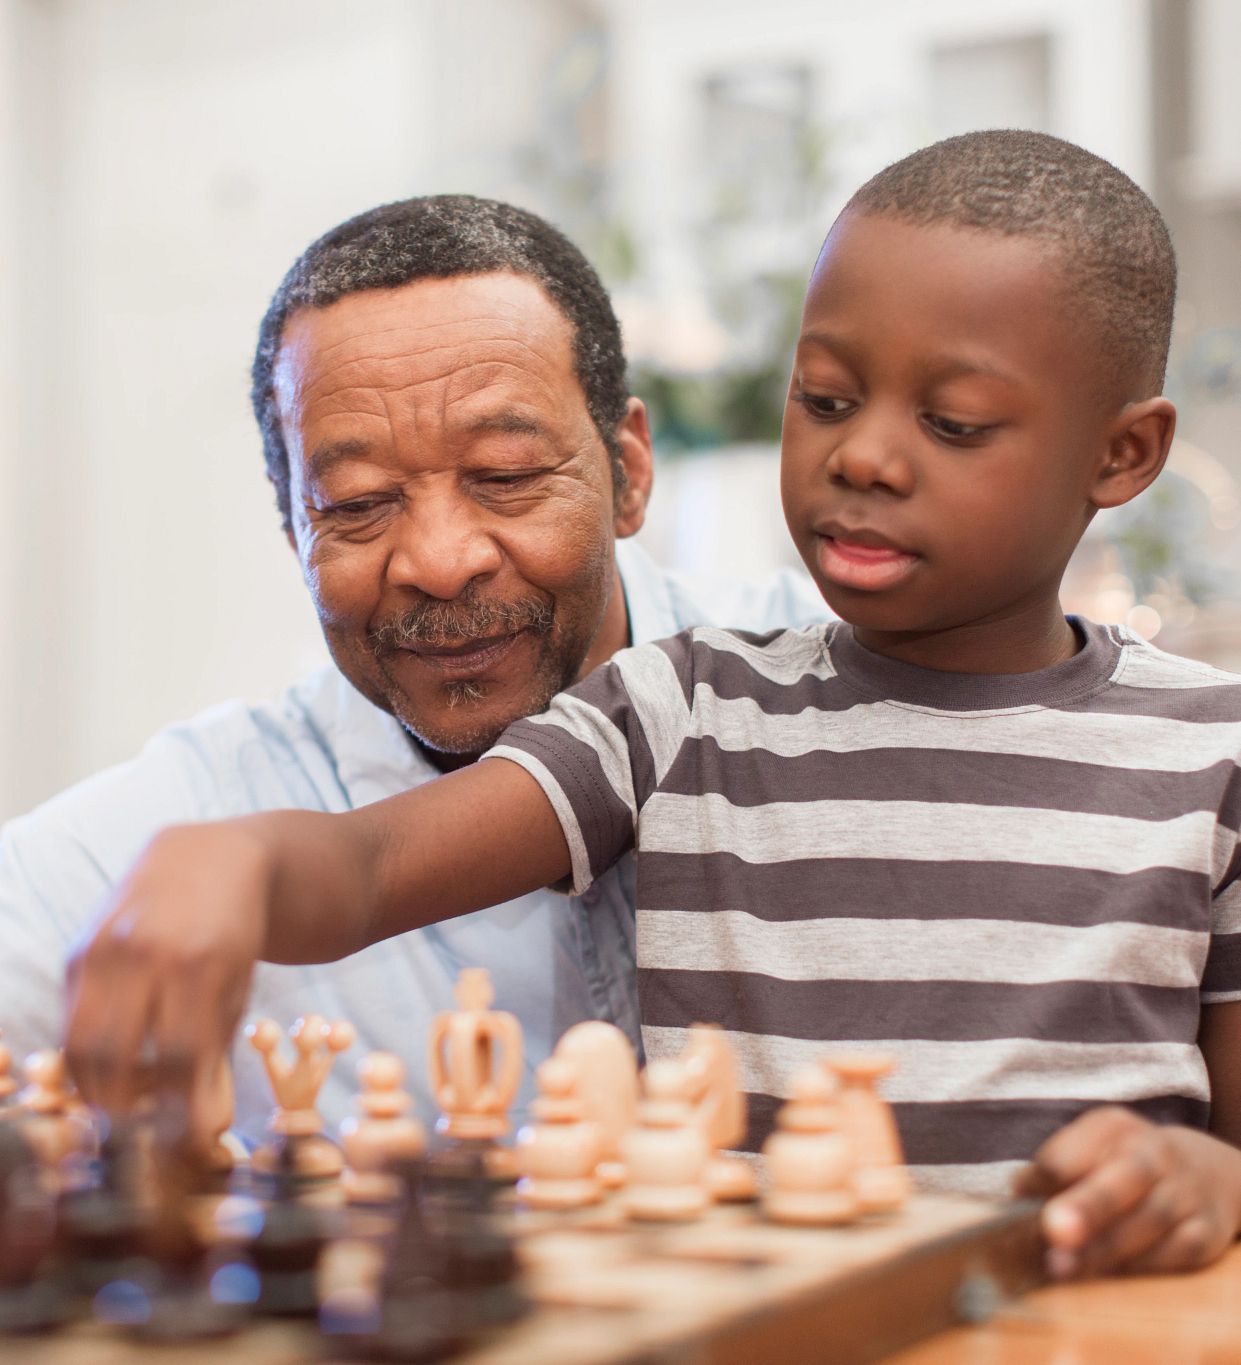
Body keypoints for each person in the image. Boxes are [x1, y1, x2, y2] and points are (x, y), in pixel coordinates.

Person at [68, 130, 1241, 1279]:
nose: (864, 460)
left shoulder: (1213, 756)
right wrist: (236, 868)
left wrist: (1207, 1181)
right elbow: (371, 869)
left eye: (951, 424)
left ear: (1122, 456)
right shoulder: (683, 706)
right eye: (824, 400)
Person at [0, 195, 828, 1142]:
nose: (439, 561)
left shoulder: (824, 687)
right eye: (356, 504)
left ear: (629, 470)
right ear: (293, 531)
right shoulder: (192, 828)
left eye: (506, 475)